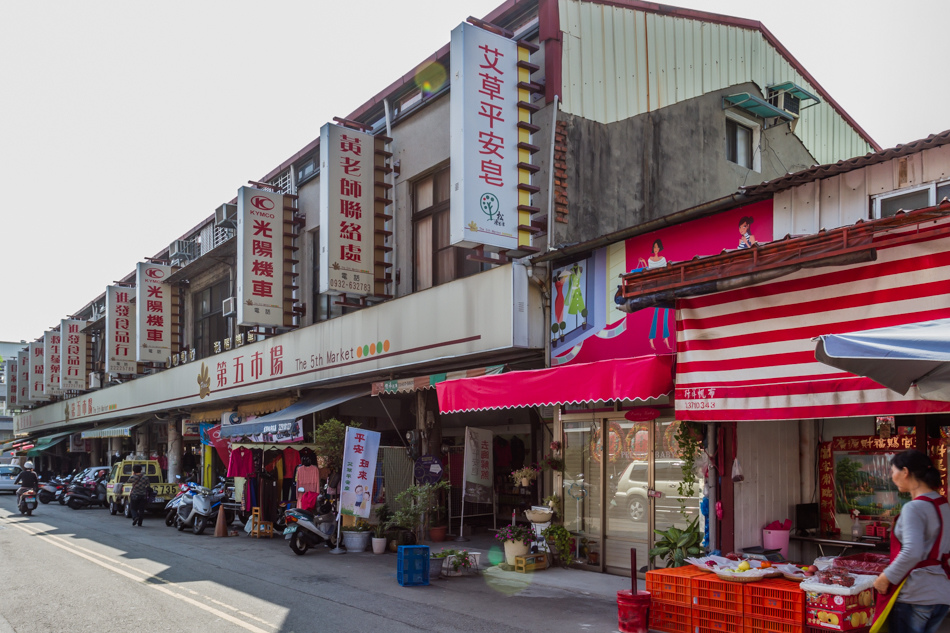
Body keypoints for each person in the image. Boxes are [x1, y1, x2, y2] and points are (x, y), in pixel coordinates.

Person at [872, 450, 950, 633]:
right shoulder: (944, 505)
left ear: (905, 472)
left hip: (915, 595)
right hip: (942, 594)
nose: (892, 477)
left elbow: (912, 552)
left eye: (893, 471)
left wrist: (885, 578)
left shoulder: (913, 508)